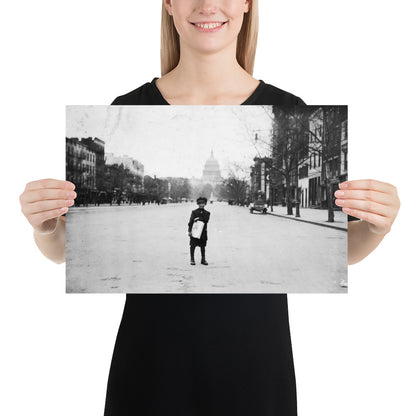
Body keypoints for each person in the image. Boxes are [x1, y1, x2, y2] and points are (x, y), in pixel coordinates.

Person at [18, 1, 401, 415]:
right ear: (167, 4)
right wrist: (45, 225)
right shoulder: (127, 106)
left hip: (255, 364)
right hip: (151, 364)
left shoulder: (289, 106)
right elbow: (63, 252)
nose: (207, 3)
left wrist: (378, 226)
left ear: (249, 4)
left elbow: (338, 256)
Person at [188, 196, 211, 265]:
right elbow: (191, 222)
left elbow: (206, 220)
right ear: (198, 204)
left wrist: (198, 219)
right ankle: (192, 259)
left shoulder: (207, 213)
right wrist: (189, 231)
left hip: (203, 232)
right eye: (200, 203)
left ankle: (203, 259)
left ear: (205, 204)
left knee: (203, 246)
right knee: (192, 245)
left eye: (203, 203)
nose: (201, 204)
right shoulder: (194, 212)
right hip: (195, 231)